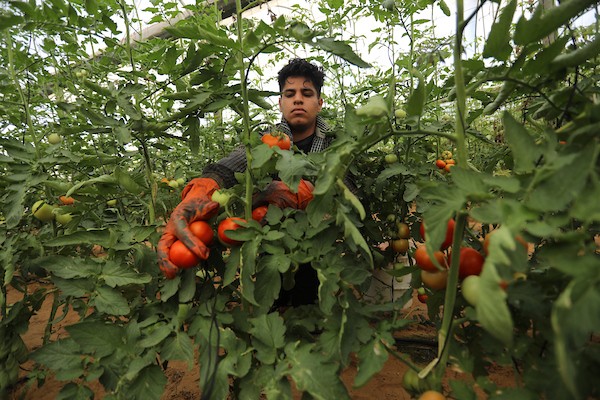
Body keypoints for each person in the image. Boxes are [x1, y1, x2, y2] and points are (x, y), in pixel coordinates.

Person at [157, 58, 354, 306]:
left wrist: (302, 193)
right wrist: (202, 189)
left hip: (319, 247)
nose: (298, 99)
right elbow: (230, 166)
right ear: (281, 103)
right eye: (289, 93)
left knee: (311, 306)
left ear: (319, 102)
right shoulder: (265, 139)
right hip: (269, 244)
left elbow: (348, 192)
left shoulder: (336, 144)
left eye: (307, 93)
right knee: (273, 302)